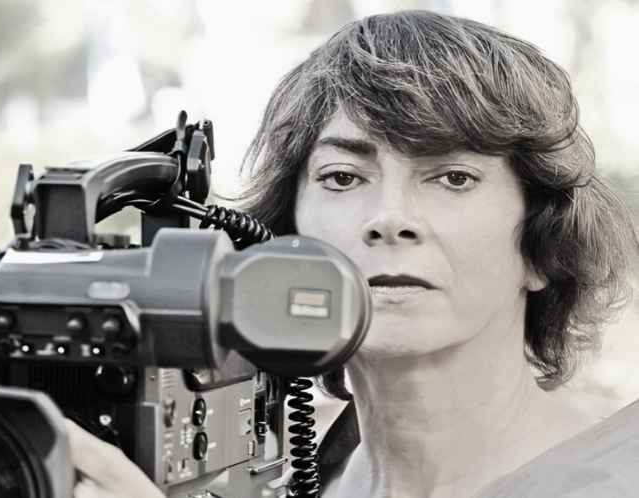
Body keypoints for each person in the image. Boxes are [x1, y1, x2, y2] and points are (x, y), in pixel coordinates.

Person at [64, 10, 639, 498]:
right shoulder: (307, 473)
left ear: (541, 244)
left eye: (454, 177)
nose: (390, 217)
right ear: (286, 237)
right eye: (342, 177)